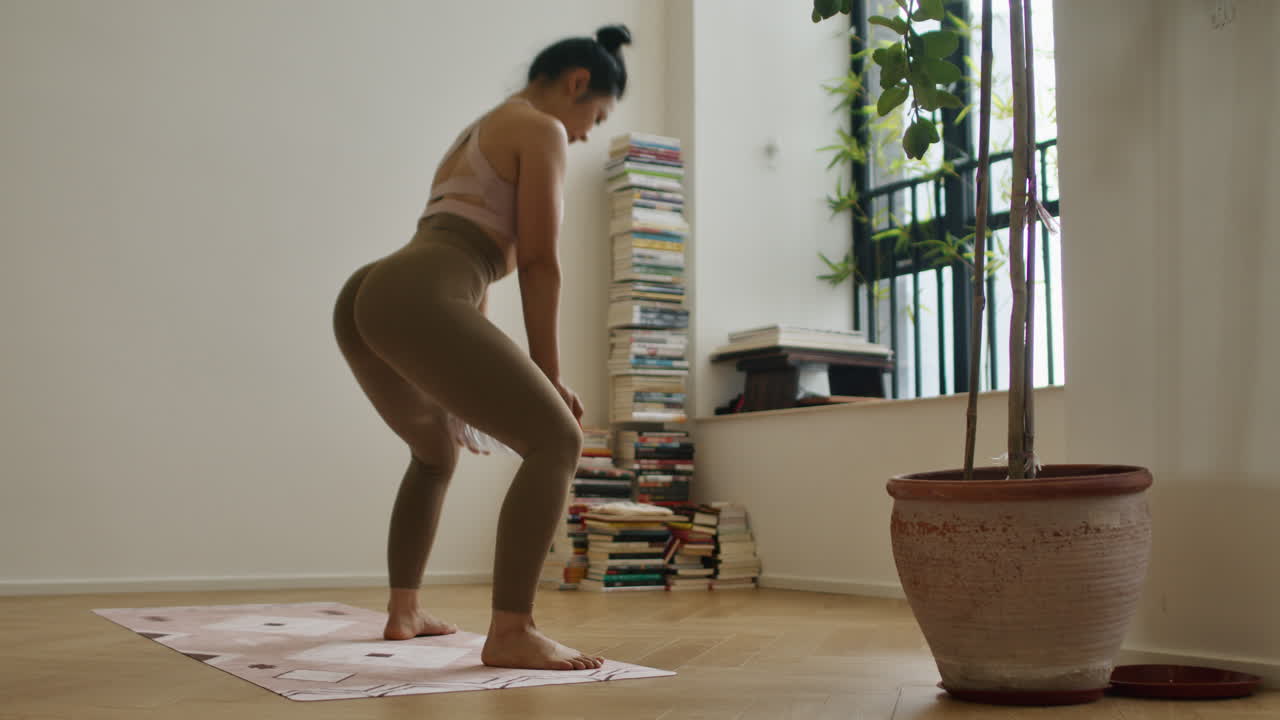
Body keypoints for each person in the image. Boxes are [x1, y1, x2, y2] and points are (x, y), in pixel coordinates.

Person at [331, 25, 631, 671]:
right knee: (557, 442)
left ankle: (404, 609)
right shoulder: (540, 128)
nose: (583, 135)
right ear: (578, 83)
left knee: (434, 456)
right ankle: (512, 630)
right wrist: (549, 376)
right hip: (420, 293)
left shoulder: (482, 127)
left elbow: (467, 257)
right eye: (594, 117)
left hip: (376, 292)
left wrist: (463, 383)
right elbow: (541, 262)